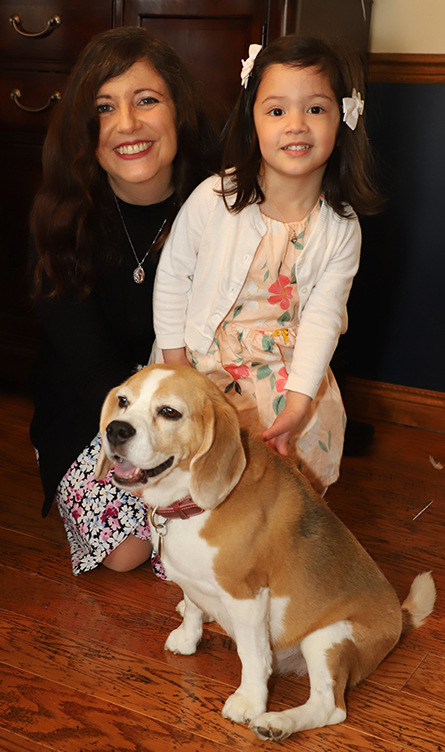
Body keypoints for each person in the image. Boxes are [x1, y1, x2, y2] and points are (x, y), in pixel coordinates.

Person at [153, 35, 382, 494]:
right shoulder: (215, 198)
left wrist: (298, 403)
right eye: (277, 111)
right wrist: (176, 364)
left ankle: (274, 523)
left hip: (286, 363)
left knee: (299, 442)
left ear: (343, 120)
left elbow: (322, 318)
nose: (296, 125)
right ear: (252, 122)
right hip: (201, 353)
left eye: (315, 109)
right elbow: (173, 277)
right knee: (198, 449)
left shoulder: (341, 227)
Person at [29, 26, 218, 576]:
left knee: (203, 538)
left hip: (186, 386)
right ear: (86, 131)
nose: (128, 125)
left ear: (178, 110)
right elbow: (93, 369)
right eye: (105, 108)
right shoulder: (62, 217)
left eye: (147, 101)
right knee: (128, 554)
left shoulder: (219, 204)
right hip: (95, 396)